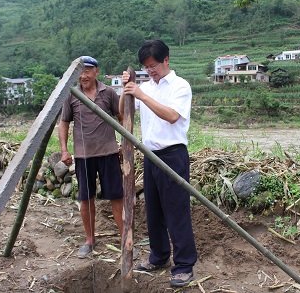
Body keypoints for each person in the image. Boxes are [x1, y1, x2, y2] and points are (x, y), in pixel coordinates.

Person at [120, 39, 197, 288]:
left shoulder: (180, 86)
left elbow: (173, 116)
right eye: (146, 67)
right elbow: (123, 113)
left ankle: (184, 265)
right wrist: (127, 90)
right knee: (153, 211)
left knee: (176, 211)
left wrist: (141, 93)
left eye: (154, 65)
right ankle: (159, 256)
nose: (151, 71)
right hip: (149, 155)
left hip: (173, 155)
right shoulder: (146, 87)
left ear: (166, 60)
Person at [58, 56, 125, 259]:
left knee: (116, 197)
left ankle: (125, 239)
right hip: (83, 156)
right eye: (80, 71)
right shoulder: (72, 95)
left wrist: (124, 142)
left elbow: (122, 117)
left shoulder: (109, 93)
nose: (83, 75)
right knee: (86, 199)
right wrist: (64, 150)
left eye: (87, 71)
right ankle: (89, 240)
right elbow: (64, 123)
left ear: (96, 71)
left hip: (109, 153)